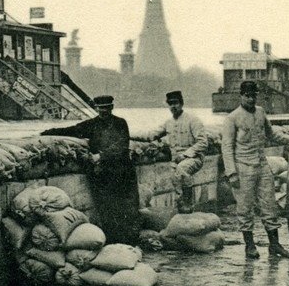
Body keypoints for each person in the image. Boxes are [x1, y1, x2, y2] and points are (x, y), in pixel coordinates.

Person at [42, 95, 140, 244]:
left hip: (123, 172)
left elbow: (121, 145)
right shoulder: (91, 124)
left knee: (127, 210)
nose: (104, 111)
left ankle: (130, 242)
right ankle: (114, 243)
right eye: (101, 108)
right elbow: (72, 130)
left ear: (112, 108)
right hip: (104, 175)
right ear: (96, 108)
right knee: (107, 210)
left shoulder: (120, 123)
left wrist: (101, 155)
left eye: (106, 108)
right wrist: (46, 133)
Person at [221, 80, 289, 259]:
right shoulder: (232, 118)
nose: (251, 99)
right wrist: (231, 173)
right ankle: (250, 245)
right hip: (243, 167)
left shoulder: (261, 112)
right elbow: (226, 147)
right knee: (245, 208)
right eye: (247, 96)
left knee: (269, 205)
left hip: (262, 165)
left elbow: (272, 134)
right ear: (241, 96)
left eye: (254, 95)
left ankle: (275, 244)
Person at [134, 90, 209, 213]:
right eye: (170, 104)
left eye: (176, 103)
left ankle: (188, 203)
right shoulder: (168, 123)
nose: (173, 106)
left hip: (194, 158)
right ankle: (182, 209)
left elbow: (203, 143)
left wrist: (184, 155)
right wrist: (128, 134)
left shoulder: (193, 120)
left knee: (182, 170)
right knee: (175, 180)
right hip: (176, 160)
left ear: (182, 103)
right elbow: (150, 135)